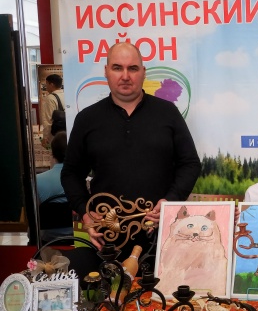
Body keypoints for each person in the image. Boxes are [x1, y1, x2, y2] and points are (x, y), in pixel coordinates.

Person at [61, 42, 201, 263]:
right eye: (117, 68)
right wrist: (85, 213)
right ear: (106, 71)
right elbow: (71, 173)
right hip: (107, 240)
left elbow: (190, 164)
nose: (125, 76)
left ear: (143, 72)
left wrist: (169, 202)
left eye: (132, 68)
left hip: (161, 235)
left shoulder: (168, 113)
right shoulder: (87, 119)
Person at [37, 131, 73, 242]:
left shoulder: (37, 180)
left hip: (47, 239)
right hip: (79, 236)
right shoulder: (82, 179)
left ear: (52, 153)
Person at [40, 73, 65, 148]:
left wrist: (45, 137)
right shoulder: (66, 94)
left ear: (51, 84)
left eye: (46, 84)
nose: (46, 86)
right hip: (66, 131)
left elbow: (48, 119)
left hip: (55, 134)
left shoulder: (50, 98)